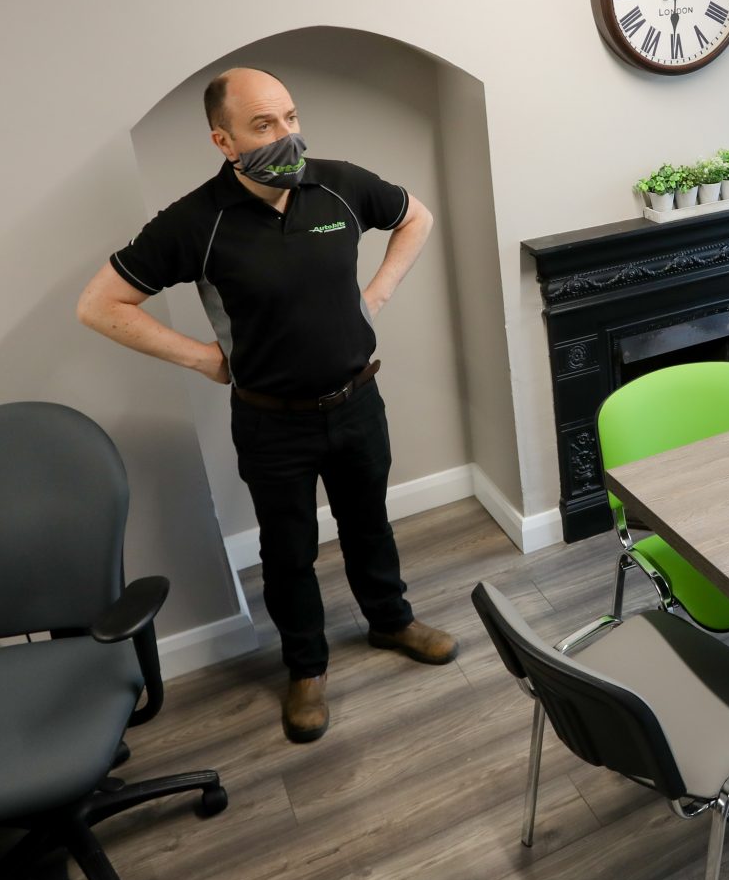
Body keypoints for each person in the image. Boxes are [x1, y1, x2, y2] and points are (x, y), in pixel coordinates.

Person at [77, 66, 456, 744]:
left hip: (356, 400)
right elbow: (99, 304)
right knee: (289, 552)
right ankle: (306, 667)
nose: (286, 135)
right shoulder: (198, 223)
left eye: (290, 117)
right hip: (271, 421)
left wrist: (378, 295)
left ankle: (391, 620)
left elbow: (415, 217)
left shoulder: (338, 184)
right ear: (224, 142)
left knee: (370, 524)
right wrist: (202, 359)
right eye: (263, 125)